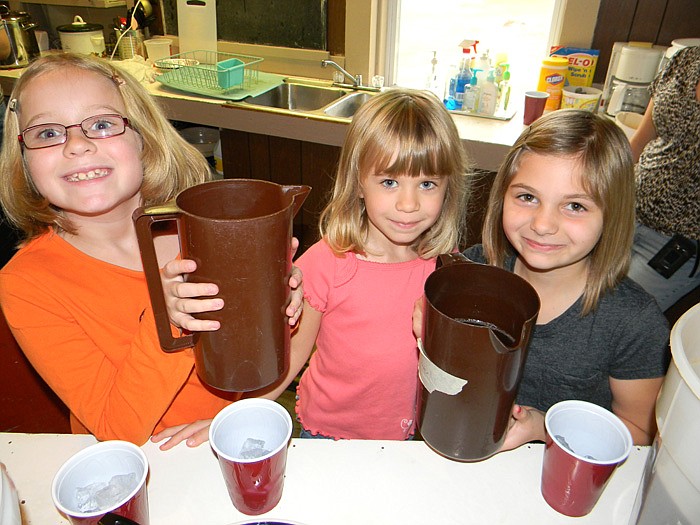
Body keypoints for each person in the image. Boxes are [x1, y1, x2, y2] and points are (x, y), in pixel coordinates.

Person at [0, 54, 302, 448]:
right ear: (24, 160)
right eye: (47, 134)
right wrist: (171, 317)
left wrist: (275, 310)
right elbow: (116, 429)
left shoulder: (204, 232)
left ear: (143, 137)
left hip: (233, 437)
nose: (77, 145)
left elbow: (256, 356)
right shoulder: (26, 284)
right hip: (146, 465)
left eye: (103, 124)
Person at [161, 88, 471, 443]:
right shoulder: (328, 263)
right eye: (389, 182)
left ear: (448, 189)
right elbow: (291, 356)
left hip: (410, 435)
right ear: (358, 183)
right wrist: (230, 418)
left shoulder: (446, 269)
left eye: (427, 184)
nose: (409, 204)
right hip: (326, 434)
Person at [415, 110, 669, 448]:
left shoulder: (633, 322)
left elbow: (640, 431)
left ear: (612, 215)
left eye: (575, 206)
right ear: (502, 195)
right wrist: (430, 332)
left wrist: (543, 428)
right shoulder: (473, 271)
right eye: (527, 197)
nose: (543, 224)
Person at [628, 44, 700, 312]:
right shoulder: (686, 60)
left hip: (678, 245)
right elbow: (640, 141)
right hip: (626, 212)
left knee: (619, 320)